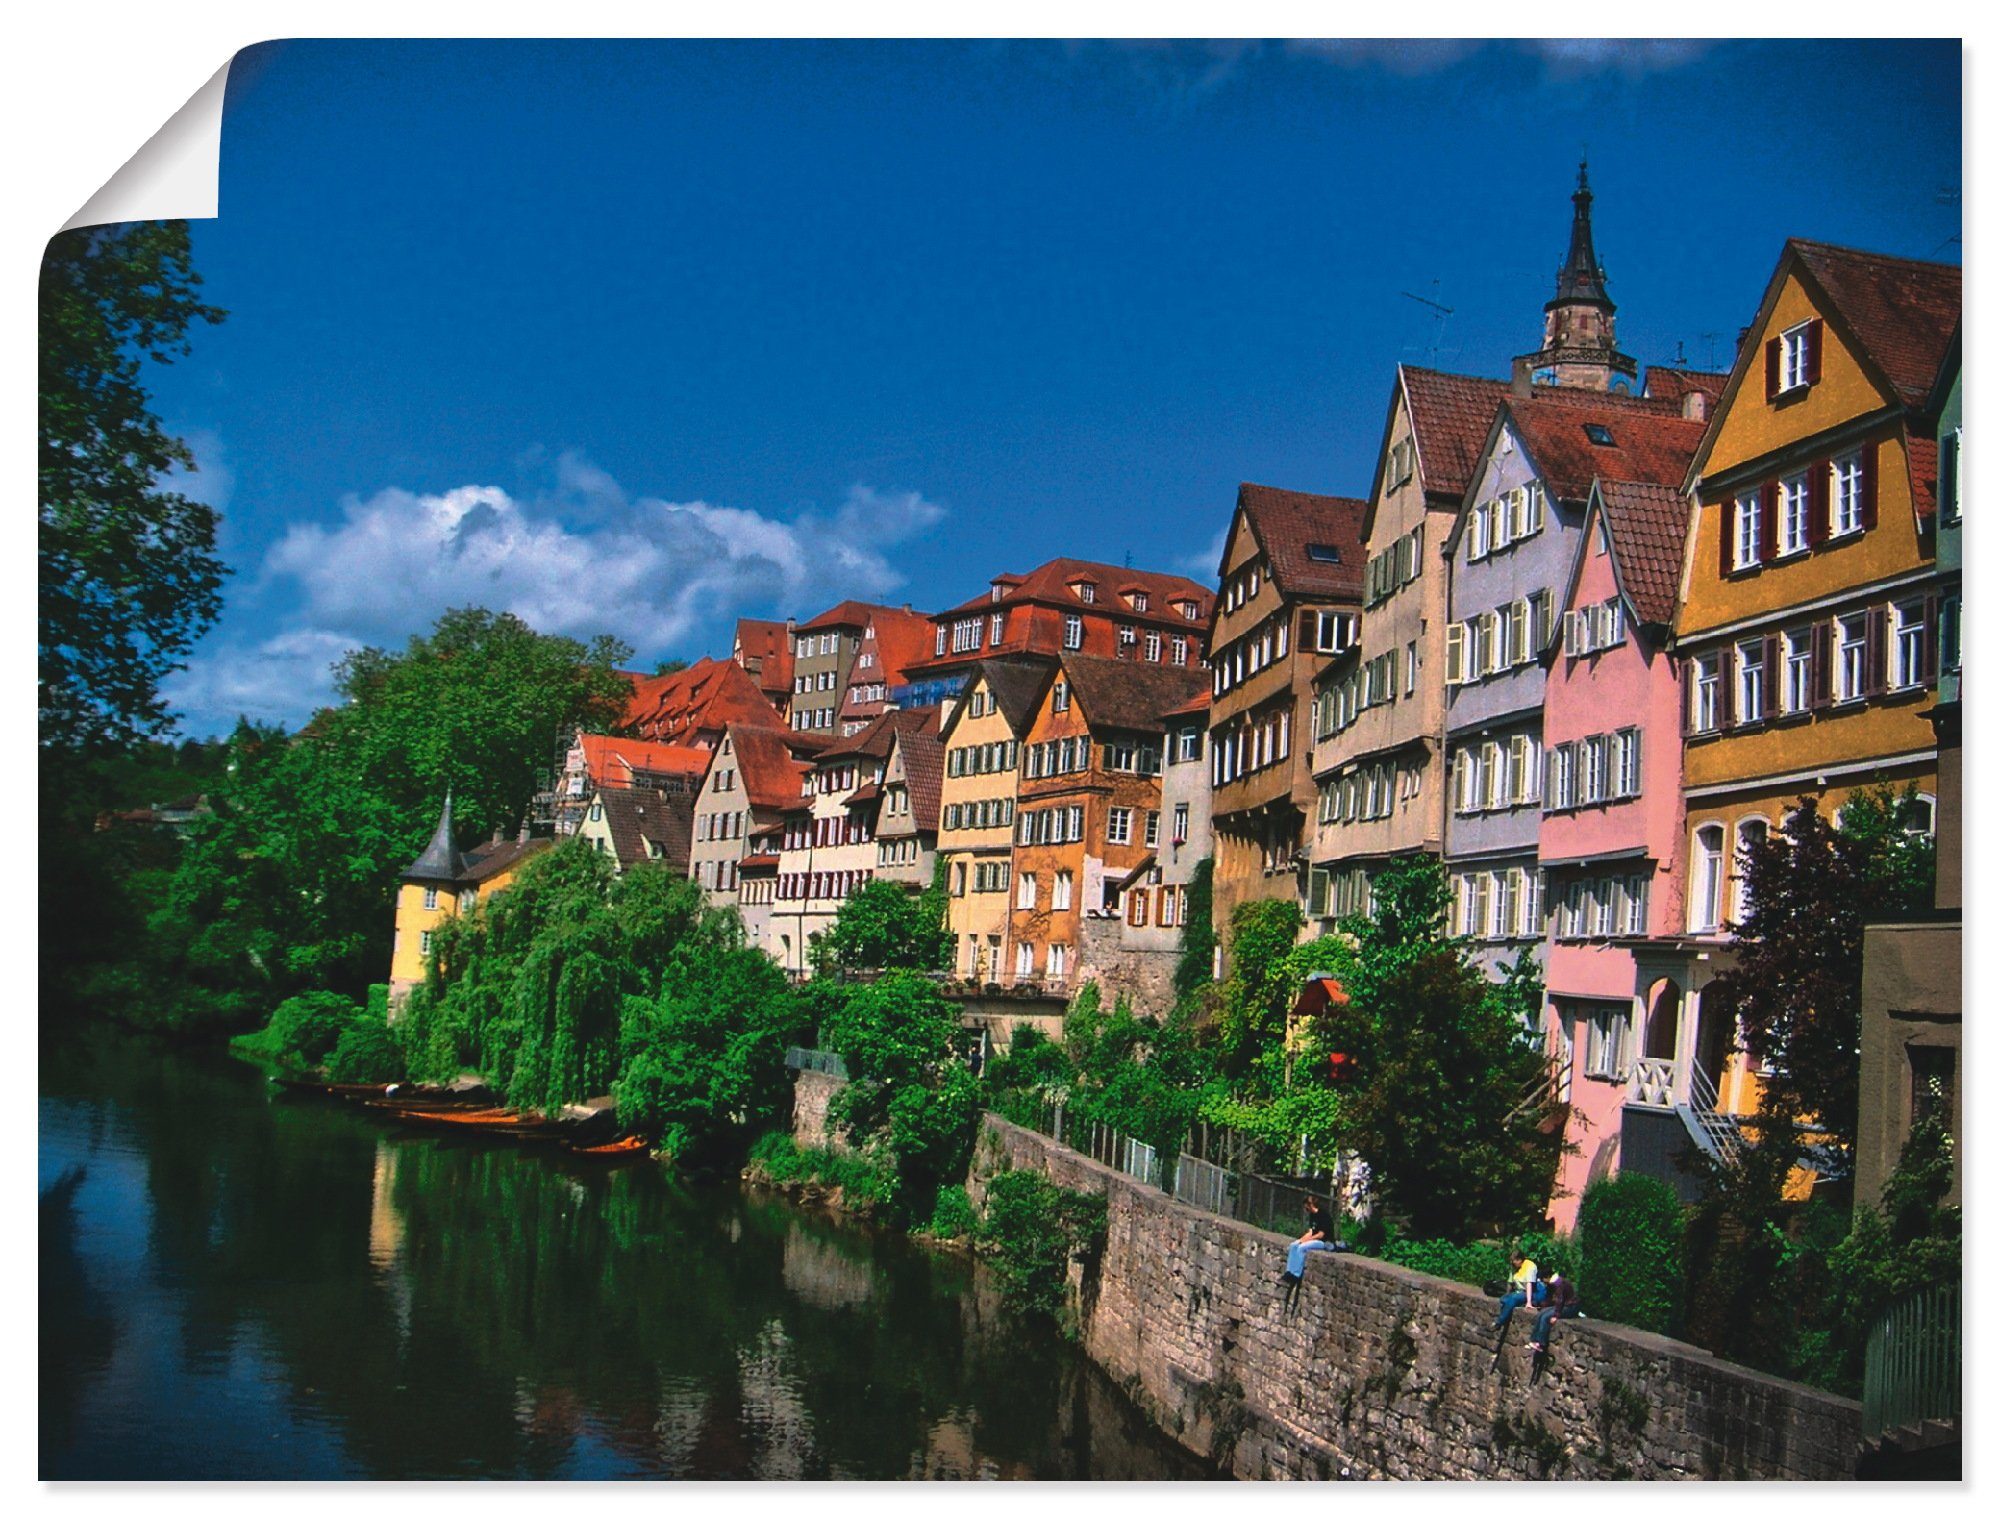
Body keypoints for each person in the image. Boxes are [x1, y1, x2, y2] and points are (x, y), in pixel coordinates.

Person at [1279, 1196, 1335, 1285]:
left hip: (1323, 1242)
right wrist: (1300, 1240)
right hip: (1314, 1239)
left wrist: (1306, 1241)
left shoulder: (1324, 1215)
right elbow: (1311, 1232)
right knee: (1294, 1246)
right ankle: (1289, 1272)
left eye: (1306, 1206)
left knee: (1302, 1248)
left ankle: (1296, 1275)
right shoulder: (1312, 1216)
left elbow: (1321, 1235)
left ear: (1310, 1205)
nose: (1305, 1209)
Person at [1492, 1247, 1540, 1330]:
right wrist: (1508, 1293)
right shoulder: (1514, 1268)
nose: (1512, 1263)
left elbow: (1529, 1284)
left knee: (1513, 1299)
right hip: (1519, 1292)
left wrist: (1529, 1302)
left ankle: (1499, 1322)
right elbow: (1510, 1282)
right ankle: (1516, 1305)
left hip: (1530, 1292)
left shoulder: (1530, 1266)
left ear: (1519, 1260)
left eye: (1513, 1260)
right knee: (1504, 1299)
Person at [1529, 1271, 1579, 1352]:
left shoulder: (1559, 1283)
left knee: (1545, 1317)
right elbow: (1550, 1298)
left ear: (1547, 1277)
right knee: (1541, 1314)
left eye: (1543, 1279)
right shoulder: (1551, 1284)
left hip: (1570, 1307)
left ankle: (1540, 1342)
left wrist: (1556, 1315)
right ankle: (1534, 1339)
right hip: (1562, 1306)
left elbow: (1560, 1300)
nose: (1543, 1282)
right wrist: (1541, 1306)